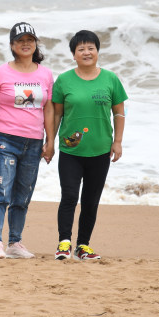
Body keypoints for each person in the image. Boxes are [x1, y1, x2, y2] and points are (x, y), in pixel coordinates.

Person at [52, 30, 127, 261]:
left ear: (97, 51)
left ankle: (83, 246)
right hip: (70, 150)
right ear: (73, 54)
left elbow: (119, 113)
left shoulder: (110, 79)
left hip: (101, 149)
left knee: (91, 201)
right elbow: (56, 115)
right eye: (81, 49)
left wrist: (118, 142)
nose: (86, 52)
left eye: (90, 48)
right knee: (69, 196)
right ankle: (64, 243)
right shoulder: (64, 80)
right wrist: (49, 143)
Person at [0, 22, 55, 259]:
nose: (26, 44)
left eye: (30, 40)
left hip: (34, 142)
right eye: (20, 40)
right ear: (12, 45)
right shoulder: (0, 72)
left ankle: (15, 242)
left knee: (23, 196)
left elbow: (48, 110)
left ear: (35, 44)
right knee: (0, 192)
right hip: (5, 139)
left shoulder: (45, 74)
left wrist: (50, 141)